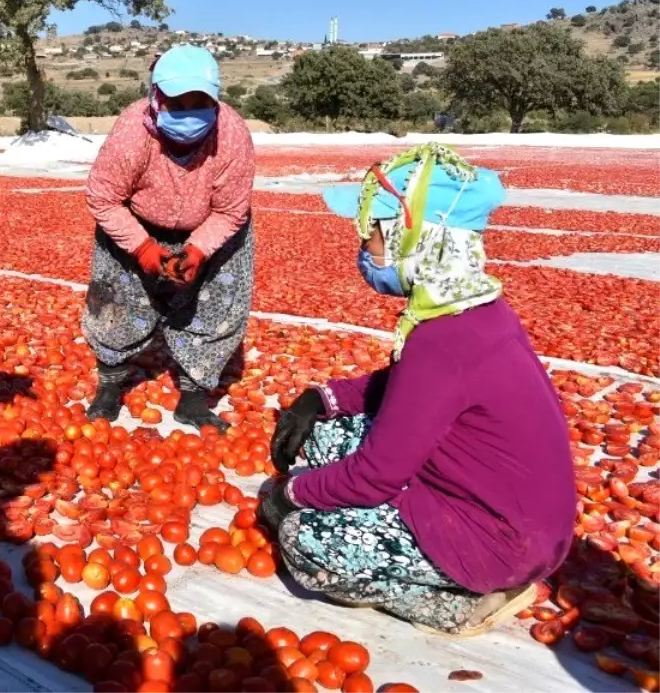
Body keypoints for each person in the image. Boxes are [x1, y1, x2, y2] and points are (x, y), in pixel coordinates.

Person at [261, 144, 576, 637]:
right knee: (324, 438)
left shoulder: (441, 340)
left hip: (496, 544)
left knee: (306, 542)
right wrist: (324, 399)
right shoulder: (474, 308)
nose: (363, 244)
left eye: (373, 232)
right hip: (516, 520)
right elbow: (414, 388)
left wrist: (291, 493)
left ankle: (458, 604)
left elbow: (373, 478)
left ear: (417, 237)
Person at [82, 45, 255, 431]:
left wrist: (198, 249)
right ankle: (111, 384)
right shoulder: (132, 132)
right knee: (116, 302)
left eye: (200, 102)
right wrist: (142, 246)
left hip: (213, 226)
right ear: (155, 98)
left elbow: (230, 211)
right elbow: (104, 197)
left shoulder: (232, 136)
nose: (189, 112)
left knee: (216, 308)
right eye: (178, 102)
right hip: (136, 224)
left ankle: (194, 397)